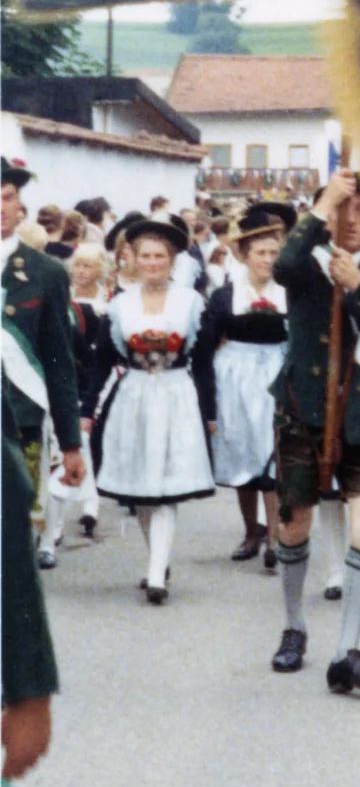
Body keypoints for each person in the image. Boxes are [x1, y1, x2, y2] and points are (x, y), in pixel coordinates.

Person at [267, 171, 360, 692]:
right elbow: (281, 266)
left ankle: (347, 651)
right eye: (342, 210)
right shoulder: (306, 267)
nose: (352, 221)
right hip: (302, 411)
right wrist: (324, 200)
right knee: (294, 524)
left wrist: (357, 290)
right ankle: (293, 626)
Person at [89, 216, 216, 601]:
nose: (152, 263)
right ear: (133, 259)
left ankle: (156, 573)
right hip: (135, 395)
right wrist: (87, 406)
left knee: (166, 487)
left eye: (160, 256)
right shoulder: (120, 305)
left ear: (173, 259)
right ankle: (157, 559)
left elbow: (205, 360)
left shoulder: (191, 302)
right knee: (142, 489)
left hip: (176, 393)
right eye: (145, 256)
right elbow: (102, 358)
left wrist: (210, 412)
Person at [204, 203, 295, 566]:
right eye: (261, 252)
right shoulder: (225, 295)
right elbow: (208, 341)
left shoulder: (289, 292)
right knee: (242, 451)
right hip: (236, 375)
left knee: (274, 454)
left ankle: (275, 537)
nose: (268, 259)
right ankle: (251, 530)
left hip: (277, 369)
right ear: (243, 255)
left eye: (274, 252)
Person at [1, 160, 85, 517]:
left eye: (7, 197)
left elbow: (58, 360)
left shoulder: (45, 271)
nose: (1, 208)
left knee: (15, 534)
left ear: (20, 205)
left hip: (20, 420)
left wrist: (70, 444)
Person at [39, 245, 107, 563]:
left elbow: (87, 359)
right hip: (17, 399)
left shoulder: (64, 319)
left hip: (56, 400)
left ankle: (49, 540)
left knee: (55, 466)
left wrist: (83, 399)